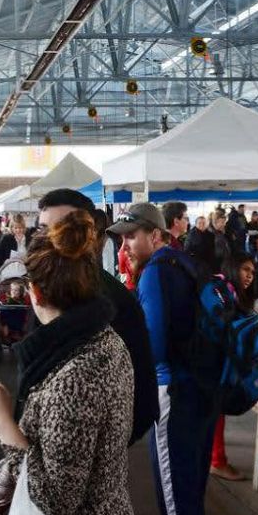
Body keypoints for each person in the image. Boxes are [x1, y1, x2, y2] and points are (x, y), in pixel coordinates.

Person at [0, 211, 136, 515]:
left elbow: (56, 501)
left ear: (34, 292)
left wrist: (3, 424)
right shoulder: (108, 340)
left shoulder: (72, 383)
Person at [116, 203, 217, 515]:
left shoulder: (156, 272)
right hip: (203, 390)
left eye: (131, 237)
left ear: (155, 235)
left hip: (173, 392)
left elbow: (154, 347)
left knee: (177, 509)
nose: (125, 246)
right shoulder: (185, 262)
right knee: (192, 499)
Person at [38, 189, 158, 446]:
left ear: (90, 235)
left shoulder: (116, 303)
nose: (50, 240)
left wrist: (101, 449)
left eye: (63, 229)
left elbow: (144, 400)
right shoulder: (44, 293)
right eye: (42, 230)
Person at [209, 251, 257, 481]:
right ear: (233, 267)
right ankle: (217, 460)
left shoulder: (223, 288)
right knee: (217, 411)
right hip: (213, 361)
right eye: (245, 270)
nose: (249, 276)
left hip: (213, 360)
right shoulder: (224, 292)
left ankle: (215, 457)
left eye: (252, 272)